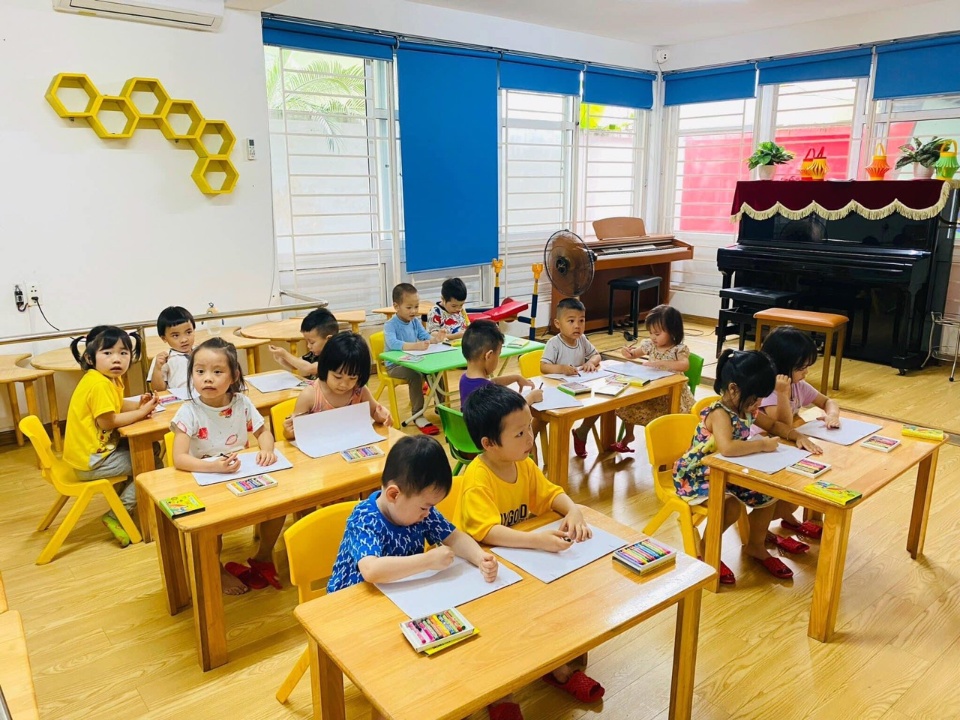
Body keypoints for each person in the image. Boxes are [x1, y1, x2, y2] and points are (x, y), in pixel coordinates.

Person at [460, 384, 604, 720]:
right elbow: (487, 532)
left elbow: (551, 493)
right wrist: (539, 541)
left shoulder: (522, 464)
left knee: (554, 604)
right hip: (484, 572)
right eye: (520, 433)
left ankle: (556, 666)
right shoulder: (478, 478)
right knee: (499, 629)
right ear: (489, 444)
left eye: (529, 428)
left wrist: (574, 510)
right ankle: (501, 693)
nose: (530, 439)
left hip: (521, 561)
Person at [674, 350, 823, 583]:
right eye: (755, 399)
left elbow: (773, 425)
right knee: (731, 506)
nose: (758, 405)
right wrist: (762, 445)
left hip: (731, 471)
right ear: (733, 389)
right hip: (698, 475)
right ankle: (707, 548)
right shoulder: (719, 413)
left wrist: (796, 435)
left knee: (767, 494)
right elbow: (727, 448)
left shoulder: (746, 408)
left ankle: (755, 545)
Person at [170, 337, 282, 595]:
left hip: (238, 471)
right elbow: (179, 458)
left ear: (234, 376)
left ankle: (263, 555)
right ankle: (216, 568)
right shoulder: (189, 411)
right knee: (212, 520)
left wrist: (267, 449)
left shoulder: (242, 403)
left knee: (279, 503)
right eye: (200, 371)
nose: (207, 379)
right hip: (204, 476)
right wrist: (214, 467)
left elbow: (264, 432)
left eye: (217, 372)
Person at [327, 434, 498, 592]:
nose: (428, 513)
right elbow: (372, 570)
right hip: (352, 601)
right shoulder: (364, 518)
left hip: (399, 594)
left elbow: (454, 538)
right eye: (424, 507)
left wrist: (480, 557)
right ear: (394, 495)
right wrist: (428, 561)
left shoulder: (422, 513)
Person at [63, 326, 158, 547]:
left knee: (150, 448)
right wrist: (141, 413)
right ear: (90, 357)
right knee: (151, 462)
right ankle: (118, 513)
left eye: (123, 353)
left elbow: (116, 405)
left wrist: (138, 404)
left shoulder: (106, 379)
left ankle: (123, 498)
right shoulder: (99, 385)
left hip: (88, 455)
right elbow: (108, 421)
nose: (117, 359)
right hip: (92, 462)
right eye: (107, 353)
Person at [757, 326, 841, 544]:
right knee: (790, 490)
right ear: (782, 366)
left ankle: (786, 515)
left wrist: (832, 415)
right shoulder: (768, 389)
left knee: (809, 476)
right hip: (763, 450)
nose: (806, 373)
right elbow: (781, 425)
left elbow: (827, 401)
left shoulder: (798, 385)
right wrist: (782, 394)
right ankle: (756, 528)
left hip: (785, 444)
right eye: (801, 368)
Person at [611, 304, 695, 452]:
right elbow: (634, 354)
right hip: (651, 389)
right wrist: (628, 353)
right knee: (628, 405)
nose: (653, 337)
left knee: (666, 420)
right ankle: (629, 435)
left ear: (672, 331)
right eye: (650, 333)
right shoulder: (650, 345)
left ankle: (664, 444)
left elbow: (684, 365)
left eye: (657, 333)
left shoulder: (678, 349)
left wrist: (661, 363)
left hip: (671, 394)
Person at [282, 332, 391, 440]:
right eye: (337, 377)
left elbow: (375, 412)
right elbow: (293, 434)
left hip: (351, 443)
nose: (344, 384)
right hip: (322, 446)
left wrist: (382, 415)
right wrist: (289, 432)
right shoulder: (310, 396)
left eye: (352, 378)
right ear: (325, 367)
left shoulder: (359, 391)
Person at [540, 298, 601, 458]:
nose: (577, 326)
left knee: (599, 405)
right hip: (557, 391)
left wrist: (590, 362)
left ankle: (582, 431)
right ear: (558, 323)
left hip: (578, 389)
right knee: (548, 419)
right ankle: (544, 446)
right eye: (571, 321)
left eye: (581, 321)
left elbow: (596, 355)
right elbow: (544, 366)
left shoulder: (582, 339)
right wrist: (561, 368)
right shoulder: (554, 343)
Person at [383, 282, 447, 435]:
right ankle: (418, 414)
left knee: (435, 370)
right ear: (396, 306)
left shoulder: (415, 322)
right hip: (395, 365)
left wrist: (435, 339)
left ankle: (441, 407)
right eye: (409, 307)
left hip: (413, 361)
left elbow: (425, 336)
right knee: (415, 376)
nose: (414, 311)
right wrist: (415, 346)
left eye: (416, 306)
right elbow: (393, 343)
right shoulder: (390, 325)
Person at [459, 320, 542, 406]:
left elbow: (492, 381)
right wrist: (531, 398)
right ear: (489, 356)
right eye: (498, 354)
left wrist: (516, 378)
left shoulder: (465, 379)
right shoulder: (488, 392)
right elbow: (516, 411)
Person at [267, 308, 339, 378]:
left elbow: (310, 368)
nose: (308, 346)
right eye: (307, 342)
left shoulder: (336, 354)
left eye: (312, 342)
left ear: (329, 339)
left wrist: (285, 354)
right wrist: (280, 357)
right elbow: (296, 365)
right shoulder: (316, 353)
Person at [148, 306, 196, 392]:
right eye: (175, 335)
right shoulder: (164, 359)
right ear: (164, 338)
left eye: (188, 332)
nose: (184, 340)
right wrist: (158, 369)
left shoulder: (202, 352)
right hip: (178, 398)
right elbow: (158, 389)